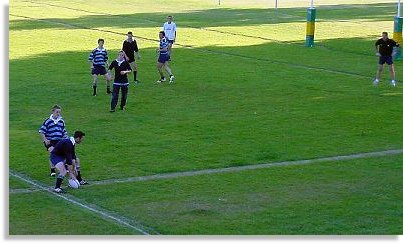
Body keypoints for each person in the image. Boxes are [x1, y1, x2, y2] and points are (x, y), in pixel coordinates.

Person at [39, 104, 68, 177]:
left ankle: (64, 167)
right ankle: (52, 170)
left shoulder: (61, 121)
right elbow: (42, 131)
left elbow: (64, 131)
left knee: (64, 153)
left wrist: (66, 139)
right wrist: (45, 140)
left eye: (59, 112)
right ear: (53, 112)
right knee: (53, 153)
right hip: (50, 141)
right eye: (57, 112)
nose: (58, 114)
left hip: (59, 140)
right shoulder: (48, 121)